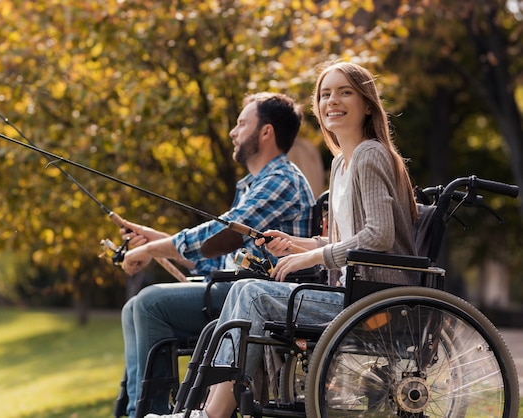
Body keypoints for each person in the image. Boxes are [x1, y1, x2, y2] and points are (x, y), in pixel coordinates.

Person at [146, 61, 419, 418]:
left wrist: (311, 259)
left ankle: (210, 414)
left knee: (253, 294)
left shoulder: (370, 154)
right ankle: (202, 408)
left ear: (367, 103)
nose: (331, 101)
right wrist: (296, 243)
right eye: (325, 94)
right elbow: (348, 242)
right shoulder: (340, 164)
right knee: (248, 290)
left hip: (376, 303)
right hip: (352, 296)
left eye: (344, 92)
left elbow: (379, 238)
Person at [118, 92, 316, 417]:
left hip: (260, 297)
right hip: (232, 288)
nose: (232, 133)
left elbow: (220, 237)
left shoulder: (281, 180)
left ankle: (146, 412)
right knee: (132, 309)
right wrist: (156, 242)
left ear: (265, 132)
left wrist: (153, 248)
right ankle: (135, 411)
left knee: (149, 304)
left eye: (241, 123)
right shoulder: (256, 185)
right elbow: (216, 258)